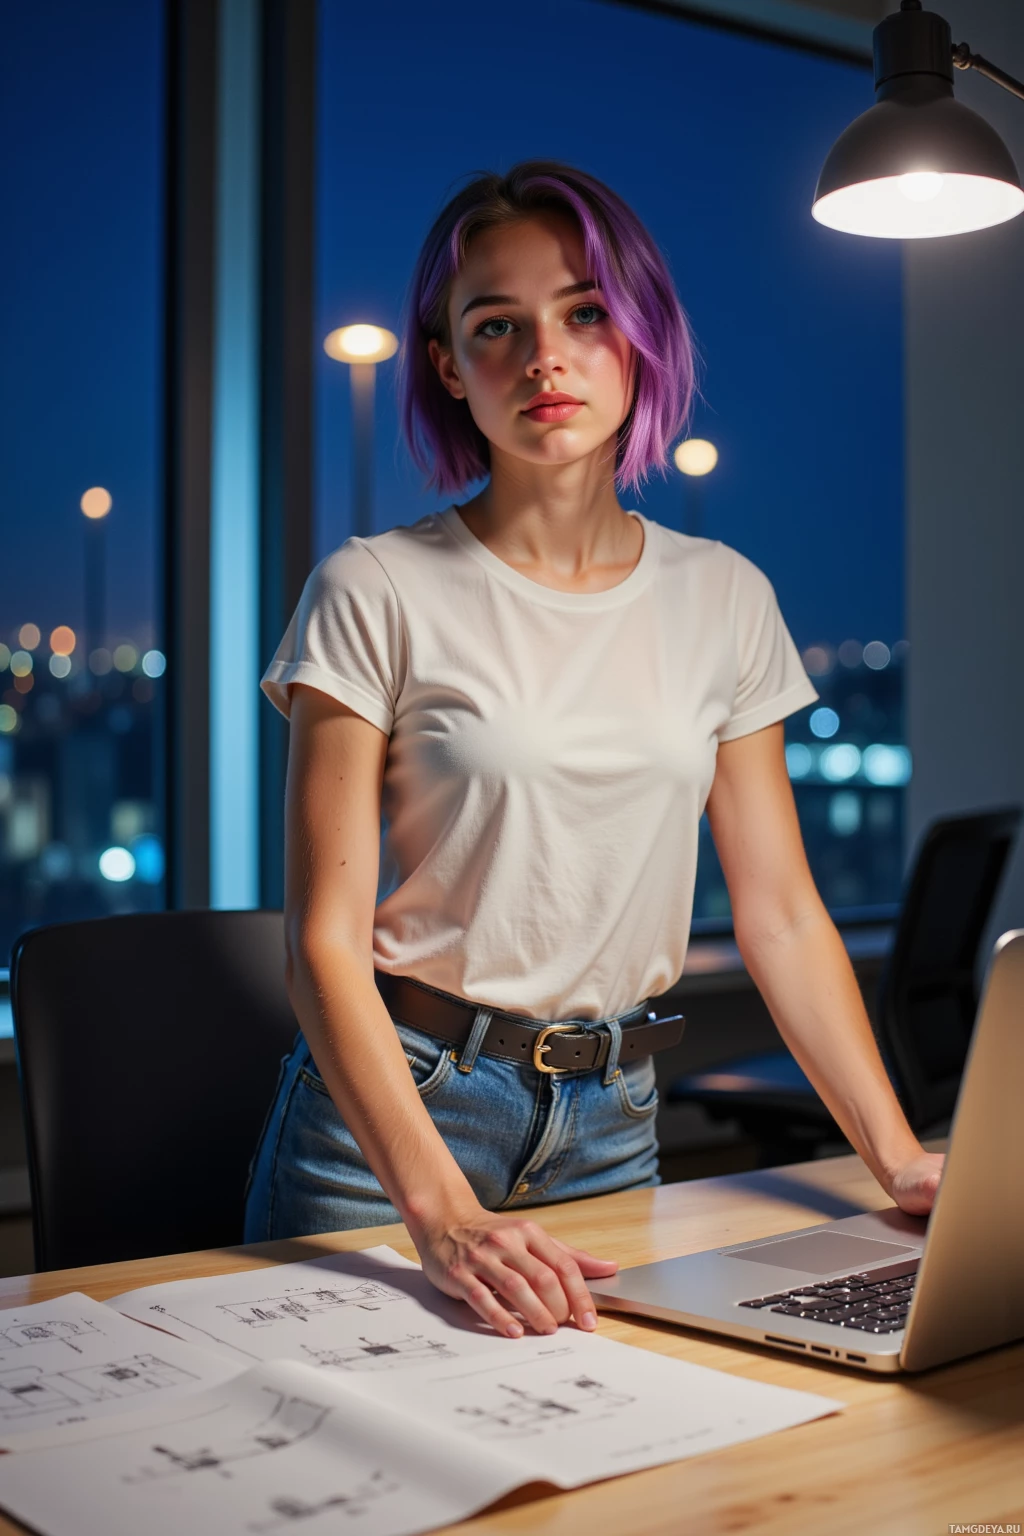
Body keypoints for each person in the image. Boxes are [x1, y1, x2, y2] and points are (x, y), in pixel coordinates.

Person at [244, 160, 943, 1342]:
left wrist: (900, 1158)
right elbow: (322, 942)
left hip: (611, 1119)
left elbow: (777, 915)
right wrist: (442, 1214)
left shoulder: (723, 596)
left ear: (641, 339)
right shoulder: (372, 588)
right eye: (495, 326)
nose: (542, 358)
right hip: (392, 1130)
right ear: (445, 364)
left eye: (582, 314)